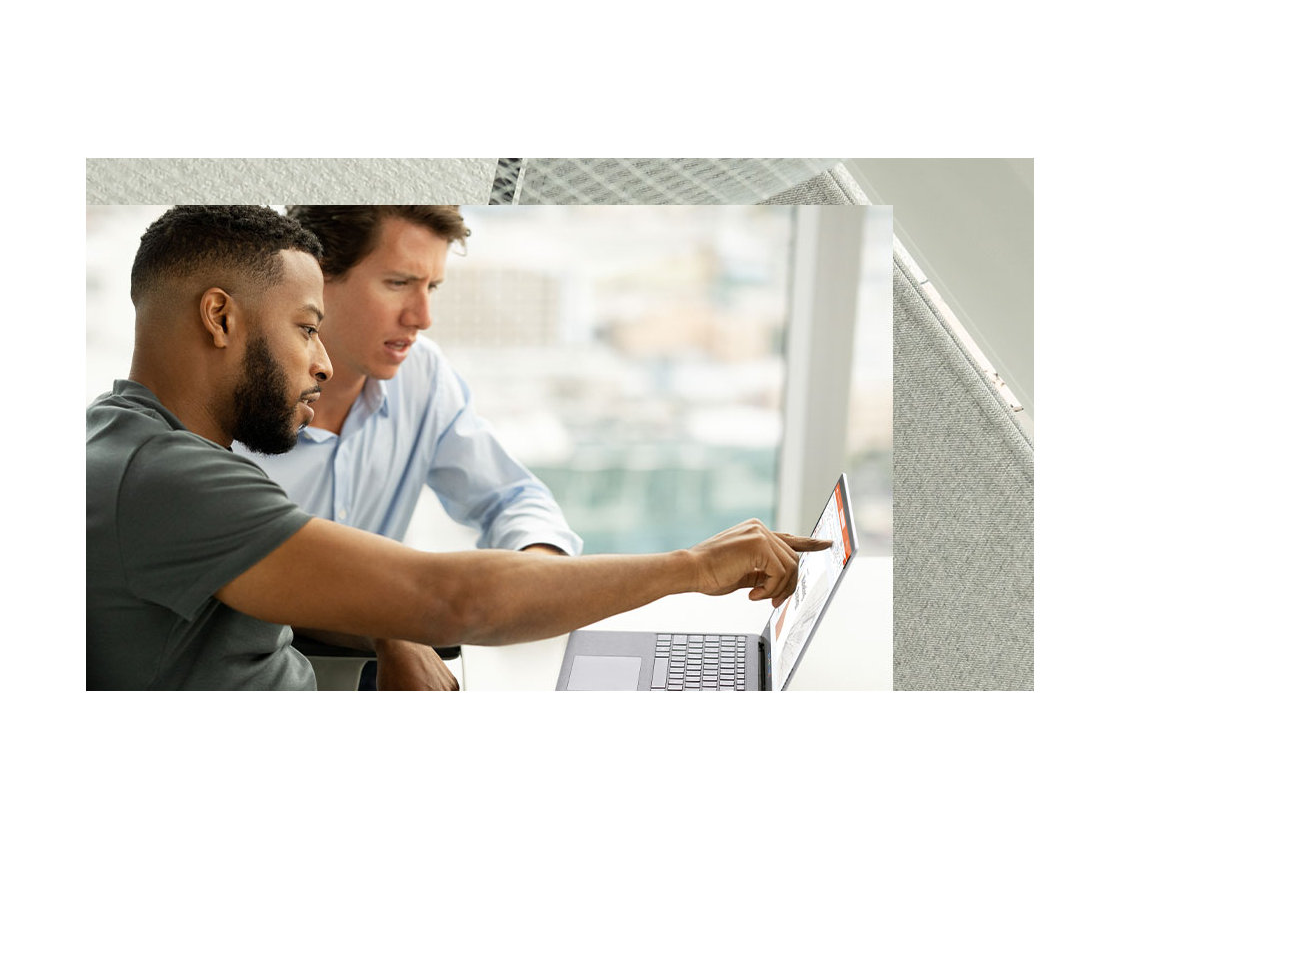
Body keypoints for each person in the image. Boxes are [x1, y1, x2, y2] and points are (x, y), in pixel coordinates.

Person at [86, 205, 828, 691]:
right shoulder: (171, 478)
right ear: (220, 318)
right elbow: (452, 599)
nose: (320, 363)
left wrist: (517, 593)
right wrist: (691, 568)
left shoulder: (145, 444)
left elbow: (502, 511)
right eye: (306, 328)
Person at [249, 205, 576, 690]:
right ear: (316, 278)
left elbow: (510, 498)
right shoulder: (233, 399)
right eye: (399, 283)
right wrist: (390, 626)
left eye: (432, 287)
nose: (422, 317)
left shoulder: (421, 375)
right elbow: (259, 576)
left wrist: (533, 575)